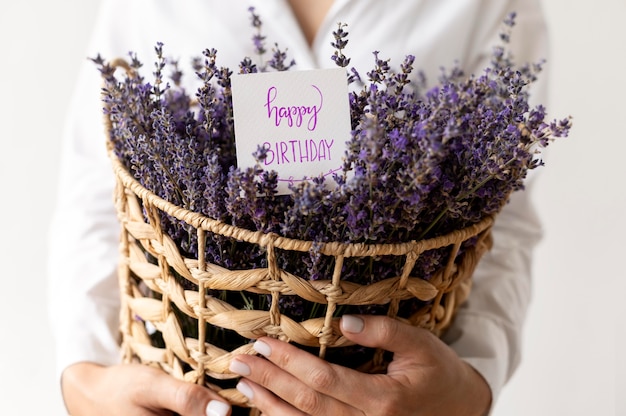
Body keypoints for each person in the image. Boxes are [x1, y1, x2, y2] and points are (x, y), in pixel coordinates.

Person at [48, 1, 549, 415]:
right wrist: (85, 377)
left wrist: (472, 384)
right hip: (194, 387)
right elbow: (97, 188)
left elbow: (507, 219)